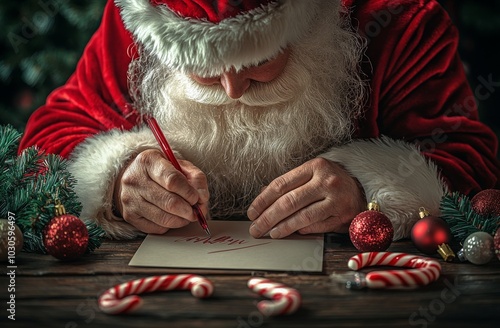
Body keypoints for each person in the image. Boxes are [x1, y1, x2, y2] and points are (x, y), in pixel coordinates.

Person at [19, 0, 499, 240]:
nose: (232, 89)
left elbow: (470, 160)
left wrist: (368, 186)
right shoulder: (134, 22)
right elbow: (47, 138)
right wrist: (116, 175)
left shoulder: (403, 21)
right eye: (204, 66)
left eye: (258, 59)